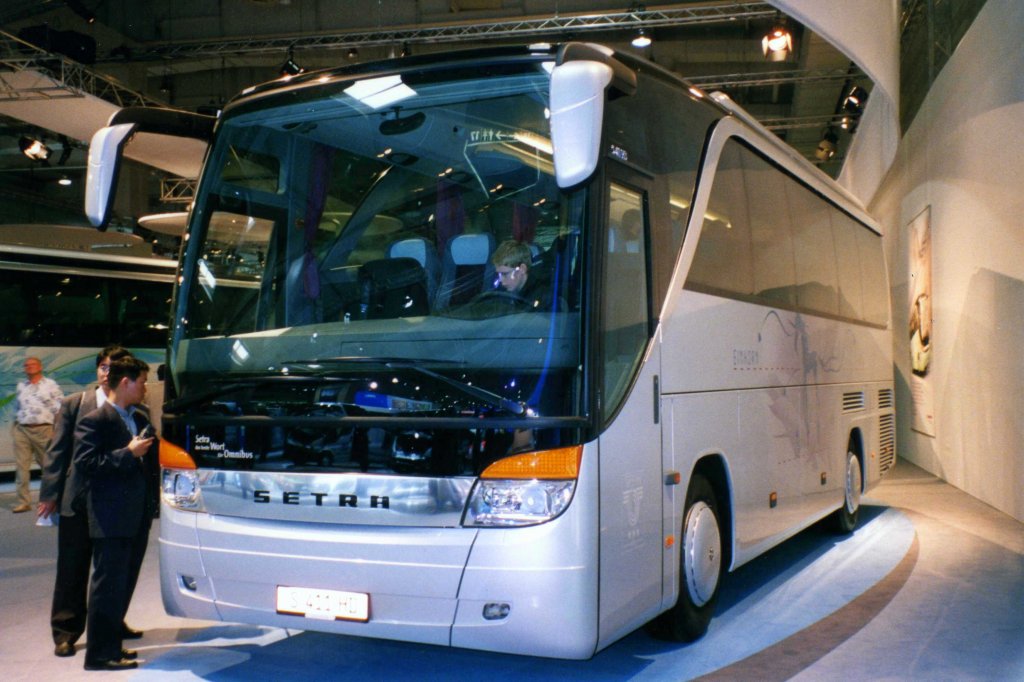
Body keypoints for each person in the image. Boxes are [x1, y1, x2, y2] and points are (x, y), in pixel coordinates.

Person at [37, 346, 144, 658]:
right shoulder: (76, 404)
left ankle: (111, 623)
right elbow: (57, 452)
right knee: (73, 568)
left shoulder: (137, 411)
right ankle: (66, 631)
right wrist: (49, 494)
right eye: (103, 366)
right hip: (78, 501)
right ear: (99, 370)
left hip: (115, 505)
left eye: (112, 367)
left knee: (116, 570)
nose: (106, 372)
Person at [73, 356, 159, 671]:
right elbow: (86, 465)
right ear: (125, 382)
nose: (145, 387)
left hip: (133, 517)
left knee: (118, 587)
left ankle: (113, 648)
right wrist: (128, 453)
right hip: (109, 519)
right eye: (142, 381)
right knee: (105, 588)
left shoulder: (137, 416)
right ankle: (98, 655)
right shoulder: (96, 419)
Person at [11, 356, 63, 513]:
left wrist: (57, 429)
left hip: (43, 430)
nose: (29, 367)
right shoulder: (22, 386)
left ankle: (54, 498)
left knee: (48, 466)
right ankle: (23, 502)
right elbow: (17, 407)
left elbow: (60, 408)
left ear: (40, 367)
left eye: (33, 365)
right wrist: (15, 427)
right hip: (22, 430)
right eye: (26, 365)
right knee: (22, 467)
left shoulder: (50, 385)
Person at [490, 239, 553, 309]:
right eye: (499, 274)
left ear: (522, 269)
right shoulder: (500, 292)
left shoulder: (544, 298)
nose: (500, 280)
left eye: (505, 274)